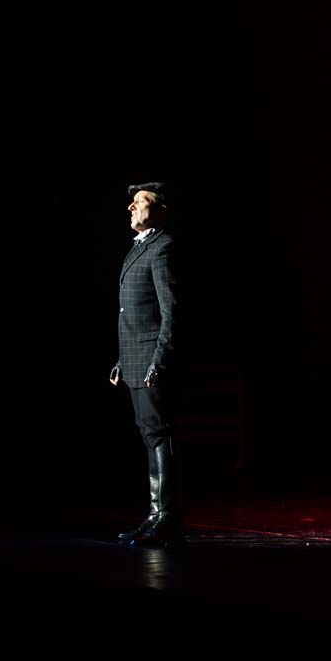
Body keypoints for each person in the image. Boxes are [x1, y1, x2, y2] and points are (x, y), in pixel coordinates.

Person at [110, 182, 183, 546]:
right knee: (147, 434)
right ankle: (155, 514)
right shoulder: (138, 249)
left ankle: (167, 518)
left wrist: (160, 359)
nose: (132, 206)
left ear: (161, 209)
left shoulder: (163, 247)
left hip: (153, 357)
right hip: (136, 357)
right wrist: (123, 359)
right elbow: (133, 312)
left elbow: (170, 311)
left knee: (158, 435)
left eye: (141, 201)